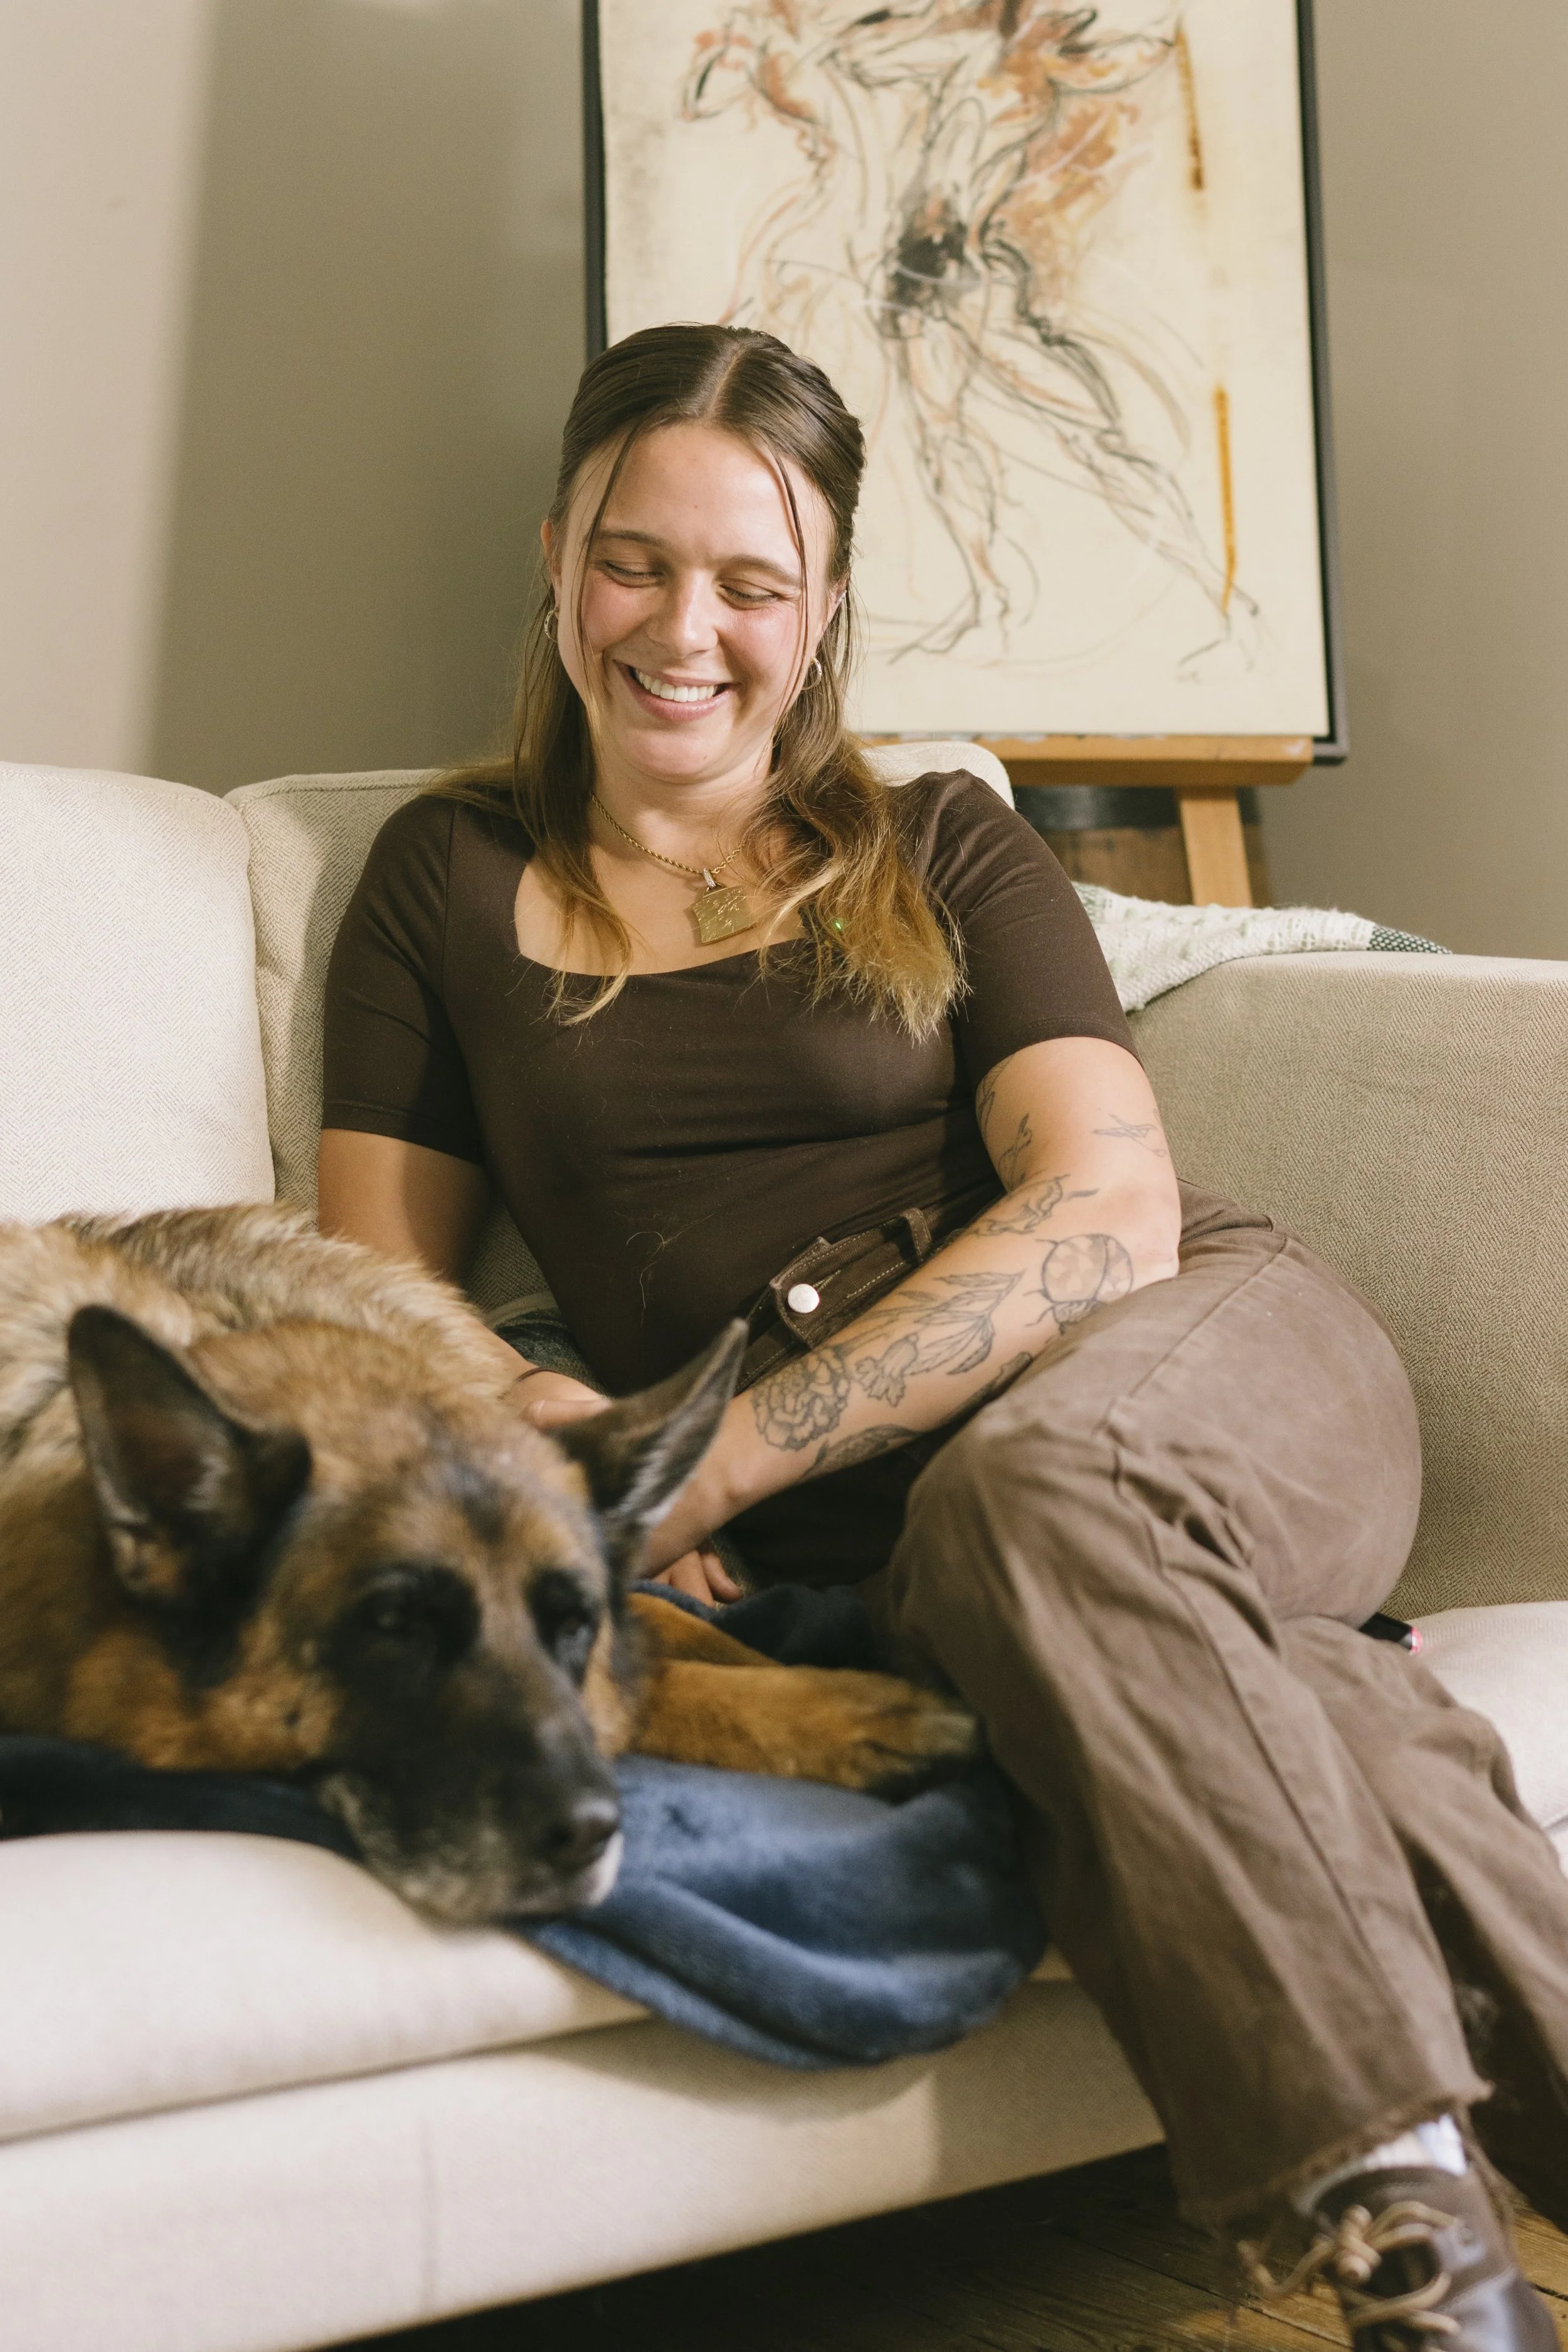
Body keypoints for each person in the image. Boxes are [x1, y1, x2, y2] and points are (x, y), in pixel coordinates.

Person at [318, 321, 1568, 2348]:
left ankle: (1404, 2254)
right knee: (1281, 1689)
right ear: (555, 557)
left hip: (1199, 1357)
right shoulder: (440, 884)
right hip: (927, 1537)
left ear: (821, 615)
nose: (683, 627)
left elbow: (1101, 1211)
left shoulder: (945, 845)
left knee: (1042, 1490)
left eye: (750, 581)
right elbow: (376, 1300)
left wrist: (714, 1455)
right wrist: (556, 1409)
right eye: (636, 562)